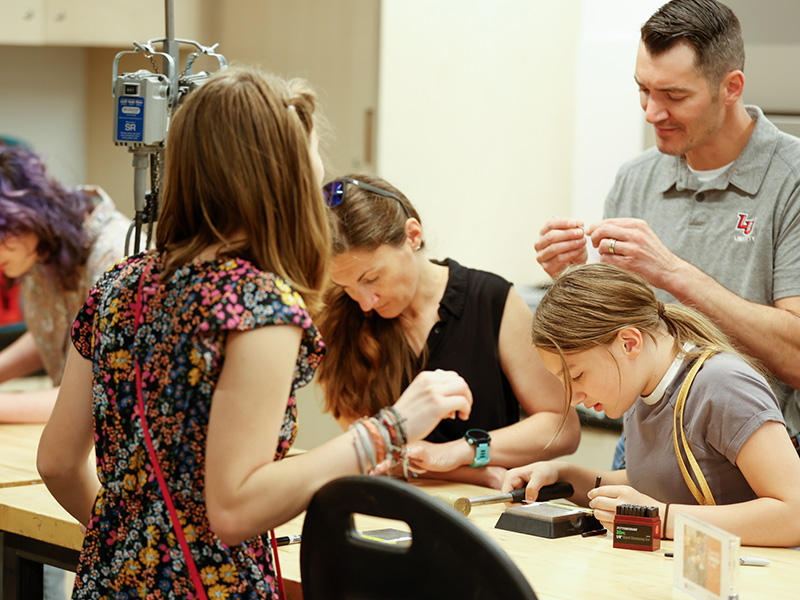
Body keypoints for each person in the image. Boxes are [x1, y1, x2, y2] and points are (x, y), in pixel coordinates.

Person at [37, 66, 473, 598]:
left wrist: (140, 551)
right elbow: (235, 508)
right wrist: (391, 428)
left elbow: (57, 463)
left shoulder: (119, 284)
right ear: (280, 179)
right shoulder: (260, 306)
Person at [533, 0, 800, 466]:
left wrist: (674, 272)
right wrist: (574, 276)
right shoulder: (635, 179)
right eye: (643, 90)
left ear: (730, 87)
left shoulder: (790, 180)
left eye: (674, 96)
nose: (652, 112)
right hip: (643, 441)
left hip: (756, 450)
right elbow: (624, 332)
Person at [502, 263, 800, 546]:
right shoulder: (639, 386)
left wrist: (660, 517)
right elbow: (661, 481)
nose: (573, 397)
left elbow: (794, 514)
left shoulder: (722, 385)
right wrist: (565, 476)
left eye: (577, 375)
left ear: (629, 343)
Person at [316, 174, 580, 489]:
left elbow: (562, 428)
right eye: (347, 287)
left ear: (412, 235)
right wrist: (474, 472)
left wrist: (460, 452)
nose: (364, 303)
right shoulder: (342, 319)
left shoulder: (492, 300)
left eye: (371, 278)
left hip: (487, 512)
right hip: (392, 507)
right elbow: (368, 453)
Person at [0, 146, 130, 422]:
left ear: (27, 215)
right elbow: (56, 333)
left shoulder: (114, 254)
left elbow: (100, 391)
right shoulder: (38, 248)